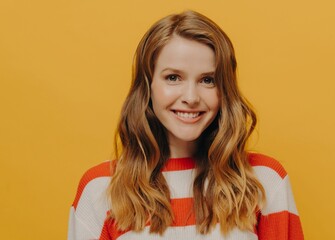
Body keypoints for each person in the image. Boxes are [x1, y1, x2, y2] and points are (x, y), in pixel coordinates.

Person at [68, 10, 304, 240]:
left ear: (224, 90)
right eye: (173, 77)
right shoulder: (100, 187)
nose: (191, 97)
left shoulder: (264, 179)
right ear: (147, 85)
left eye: (208, 80)